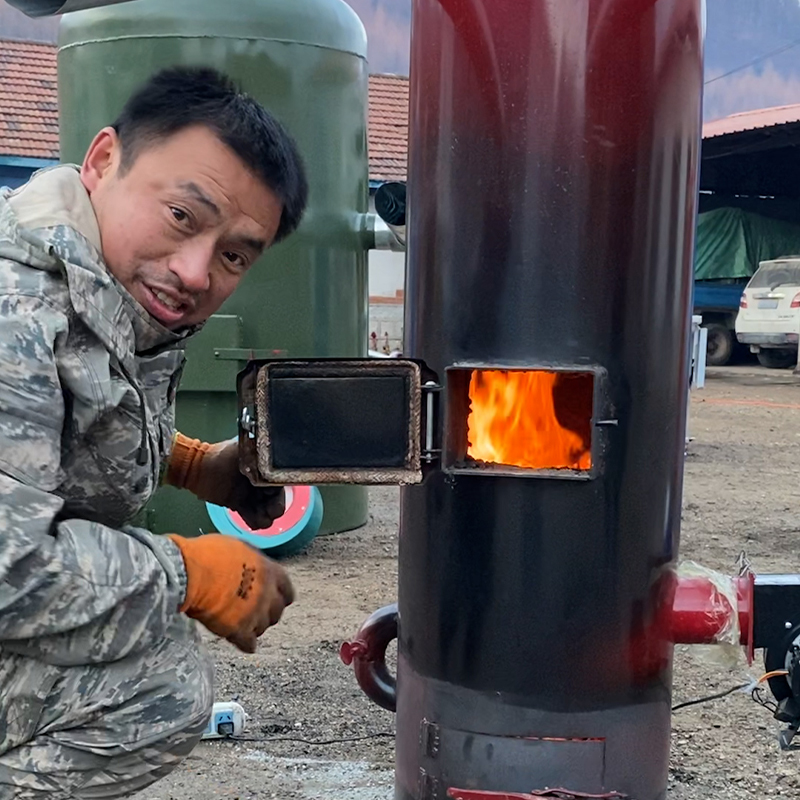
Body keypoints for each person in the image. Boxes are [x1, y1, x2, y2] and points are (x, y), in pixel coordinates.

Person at [0, 66, 308, 798]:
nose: (197, 271)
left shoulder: (101, 290)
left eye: (234, 254)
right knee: (155, 687)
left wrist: (193, 463)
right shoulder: (17, 312)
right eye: (182, 216)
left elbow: (48, 431)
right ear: (103, 160)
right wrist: (184, 571)